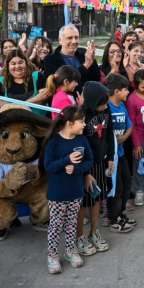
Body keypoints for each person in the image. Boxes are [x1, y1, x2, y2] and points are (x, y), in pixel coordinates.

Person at [75, 82, 129, 257]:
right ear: (92, 101)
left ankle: (94, 231)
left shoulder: (105, 111)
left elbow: (109, 133)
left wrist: (111, 157)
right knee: (84, 202)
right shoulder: (82, 114)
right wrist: (85, 172)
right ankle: (79, 237)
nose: (105, 106)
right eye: (102, 103)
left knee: (97, 197)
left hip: (100, 161)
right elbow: (78, 144)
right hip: (85, 165)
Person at [41, 105, 94, 272]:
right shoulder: (54, 141)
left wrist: (77, 169)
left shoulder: (82, 140)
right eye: (81, 121)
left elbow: (89, 160)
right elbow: (48, 165)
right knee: (56, 225)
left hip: (76, 191)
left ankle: (70, 251)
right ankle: (52, 255)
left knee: (72, 223)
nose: (84, 124)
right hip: (57, 193)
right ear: (70, 123)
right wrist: (66, 160)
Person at [103, 73, 136, 235]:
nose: (128, 93)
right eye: (125, 90)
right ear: (116, 91)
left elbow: (129, 126)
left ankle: (121, 213)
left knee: (126, 184)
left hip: (121, 153)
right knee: (115, 188)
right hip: (110, 157)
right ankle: (112, 217)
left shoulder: (122, 106)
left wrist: (123, 137)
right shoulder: (106, 107)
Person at [126, 70, 144, 207]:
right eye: (143, 87)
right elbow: (131, 122)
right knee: (139, 164)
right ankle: (139, 190)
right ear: (136, 86)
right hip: (140, 136)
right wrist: (137, 144)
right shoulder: (132, 99)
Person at [0, 49, 49, 116]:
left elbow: (45, 95)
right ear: (7, 65)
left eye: (21, 62)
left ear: (26, 63)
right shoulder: (1, 81)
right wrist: (20, 106)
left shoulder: (37, 76)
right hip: (12, 123)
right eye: (13, 63)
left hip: (38, 122)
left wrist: (23, 104)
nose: (17, 66)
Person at [42, 24, 100, 89]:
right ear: (60, 40)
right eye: (69, 38)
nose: (74, 41)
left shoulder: (83, 54)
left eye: (76, 37)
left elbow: (96, 77)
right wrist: (85, 66)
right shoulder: (50, 59)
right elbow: (61, 83)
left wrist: (92, 59)